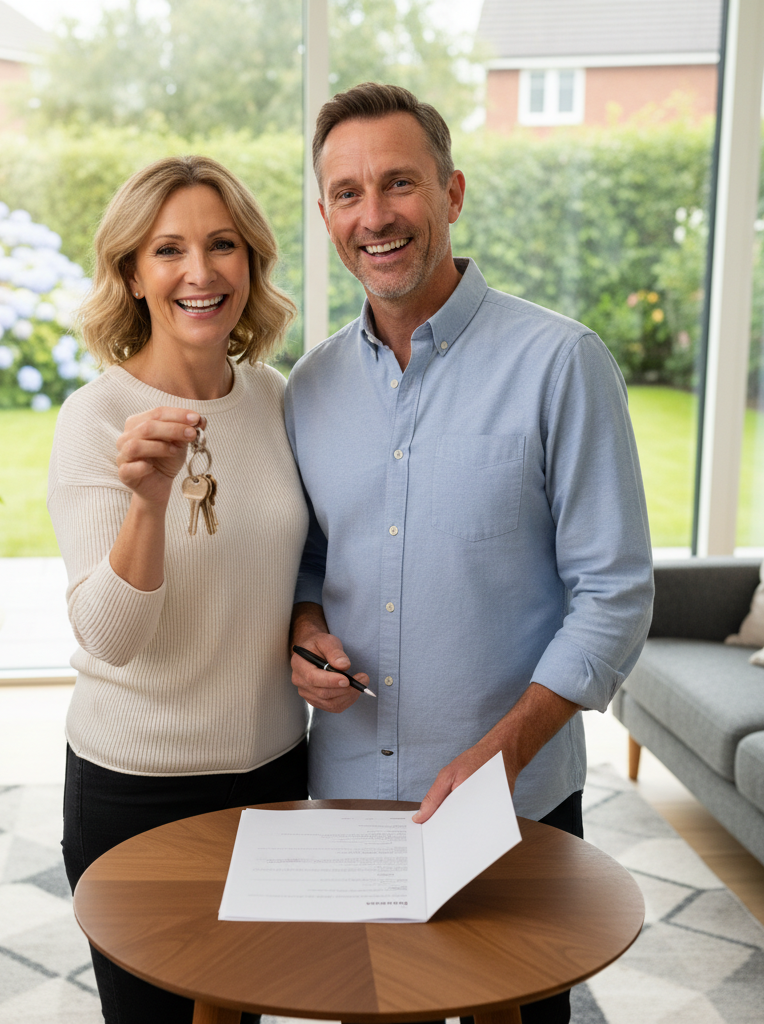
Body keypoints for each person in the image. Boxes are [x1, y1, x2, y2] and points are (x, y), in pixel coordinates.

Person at [284, 83, 655, 1024]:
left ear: (451, 194)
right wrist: (306, 626)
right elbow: (310, 563)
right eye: (347, 193)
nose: (375, 217)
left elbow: (613, 594)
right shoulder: (311, 386)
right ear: (326, 214)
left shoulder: (562, 363)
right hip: (353, 796)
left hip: (516, 807)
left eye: (399, 183)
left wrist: (499, 755)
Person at [48, 155, 309, 1024]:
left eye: (222, 245)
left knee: (247, 1008)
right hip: (136, 790)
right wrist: (146, 503)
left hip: (273, 773)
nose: (200, 273)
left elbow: (295, 566)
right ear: (131, 272)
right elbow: (107, 635)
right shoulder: (94, 417)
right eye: (168, 250)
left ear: (252, 263)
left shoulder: (279, 400)